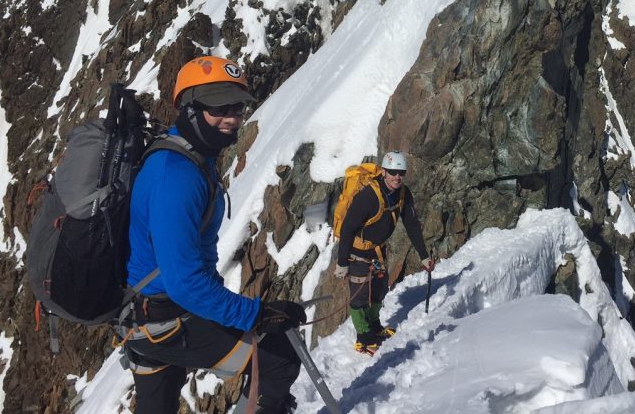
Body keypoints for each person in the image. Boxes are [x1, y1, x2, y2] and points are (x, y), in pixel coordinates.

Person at [122, 56, 305, 414]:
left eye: (236, 107)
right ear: (189, 108)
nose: (232, 118)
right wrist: (254, 314)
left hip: (146, 317)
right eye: (219, 107)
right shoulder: (177, 176)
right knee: (279, 355)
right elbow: (185, 283)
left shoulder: (189, 157)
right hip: (166, 320)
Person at [334, 150, 434, 355]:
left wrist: (424, 255)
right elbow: (348, 228)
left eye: (401, 172)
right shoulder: (368, 196)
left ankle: (375, 327)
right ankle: (363, 337)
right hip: (357, 252)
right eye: (392, 172)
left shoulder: (403, 194)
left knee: (379, 289)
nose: (397, 177)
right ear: (384, 172)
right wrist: (342, 262)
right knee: (360, 295)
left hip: (378, 252)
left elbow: (412, 225)